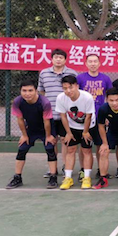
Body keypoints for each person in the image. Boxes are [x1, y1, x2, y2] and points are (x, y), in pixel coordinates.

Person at [6, 80, 58, 189]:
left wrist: (48, 136)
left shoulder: (44, 102)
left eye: (30, 90)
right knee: (22, 149)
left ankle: (53, 177)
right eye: (24, 91)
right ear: (20, 91)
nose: (27, 93)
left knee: (50, 149)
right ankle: (17, 177)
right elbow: (20, 119)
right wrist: (24, 135)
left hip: (46, 128)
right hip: (31, 128)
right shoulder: (17, 102)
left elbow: (46, 121)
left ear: (36, 91)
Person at [37, 49, 77, 177]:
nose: (58, 60)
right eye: (56, 57)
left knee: (66, 141)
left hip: (67, 115)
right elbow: (41, 92)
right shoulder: (44, 73)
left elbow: (76, 92)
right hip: (49, 114)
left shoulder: (72, 73)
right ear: (52, 59)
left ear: (65, 60)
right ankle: (52, 169)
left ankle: (66, 167)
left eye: (61, 57)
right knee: (51, 141)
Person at [55, 75, 97, 190]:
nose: (68, 91)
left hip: (88, 127)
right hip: (72, 127)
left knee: (86, 151)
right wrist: (68, 133)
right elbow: (63, 116)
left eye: (71, 87)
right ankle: (68, 178)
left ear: (77, 86)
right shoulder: (61, 98)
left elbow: (88, 116)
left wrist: (85, 132)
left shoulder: (87, 97)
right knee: (70, 150)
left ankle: (87, 178)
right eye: (65, 88)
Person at [77, 54, 113, 179]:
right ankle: (83, 170)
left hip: (100, 117)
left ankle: (101, 169)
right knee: (84, 146)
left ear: (99, 63)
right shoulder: (80, 78)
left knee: (100, 145)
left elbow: (110, 98)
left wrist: (108, 116)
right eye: (90, 61)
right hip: (84, 118)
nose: (93, 64)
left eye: (95, 61)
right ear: (86, 63)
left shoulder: (105, 79)